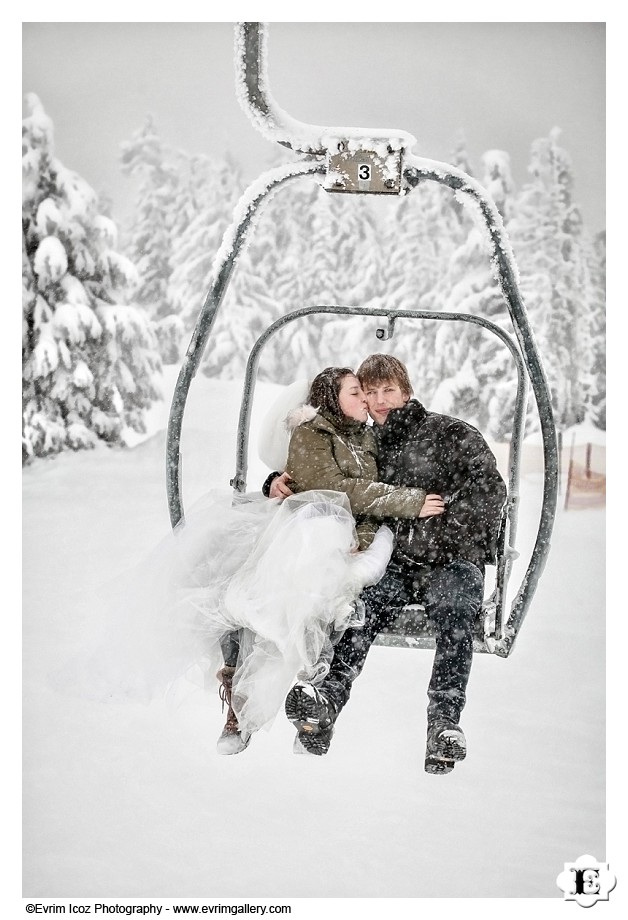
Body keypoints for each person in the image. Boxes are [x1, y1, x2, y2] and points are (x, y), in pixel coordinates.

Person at [278, 355, 507, 774]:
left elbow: (490, 492)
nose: (381, 400)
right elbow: (327, 475)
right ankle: (325, 704)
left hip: (450, 561)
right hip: (392, 561)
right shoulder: (365, 443)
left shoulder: (449, 434)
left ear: (406, 391)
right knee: (359, 613)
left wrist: (443, 539)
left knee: (457, 612)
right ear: (361, 398)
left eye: (389, 391)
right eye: (371, 392)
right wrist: (275, 481)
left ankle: (444, 722)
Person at [215, 366, 445, 755]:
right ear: (332, 399)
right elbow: (333, 488)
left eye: (367, 393)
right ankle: (244, 702)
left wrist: (368, 533)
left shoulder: (369, 436)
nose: (367, 402)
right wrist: (406, 502)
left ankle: (315, 708)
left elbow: (369, 494)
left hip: (350, 541)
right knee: (275, 599)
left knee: (334, 600)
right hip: (307, 531)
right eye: (356, 393)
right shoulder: (313, 433)